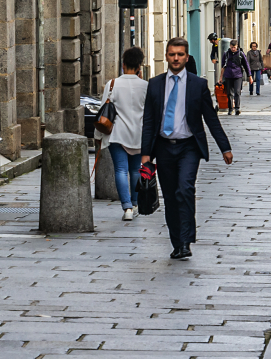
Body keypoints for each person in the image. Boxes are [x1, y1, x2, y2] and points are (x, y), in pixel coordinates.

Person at [141, 37, 233, 260]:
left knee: (184, 189)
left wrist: (225, 148)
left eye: (180, 54)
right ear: (166, 56)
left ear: (186, 57)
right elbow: (149, 121)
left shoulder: (197, 84)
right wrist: (145, 155)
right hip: (163, 147)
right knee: (171, 197)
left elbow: (211, 118)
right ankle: (177, 243)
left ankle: (186, 241)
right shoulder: (154, 84)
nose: (176, 58)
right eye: (172, 54)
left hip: (189, 147)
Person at [98, 47, 149, 221]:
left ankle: (126, 207)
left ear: (123, 64)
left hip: (118, 134)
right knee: (136, 169)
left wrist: (98, 139)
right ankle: (135, 204)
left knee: (120, 170)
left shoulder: (112, 84)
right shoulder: (145, 86)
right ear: (139, 67)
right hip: (139, 134)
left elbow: (103, 111)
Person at [220, 41, 251, 115]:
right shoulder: (226, 54)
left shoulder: (241, 54)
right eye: (231, 47)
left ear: (237, 46)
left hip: (238, 75)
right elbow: (223, 67)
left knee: (237, 92)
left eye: (234, 47)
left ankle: (237, 108)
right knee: (229, 93)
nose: (233, 49)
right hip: (228, 75)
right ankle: (230, 109)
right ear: (230, 46)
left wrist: (250, 76)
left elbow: (246, 65)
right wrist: (221, 78)